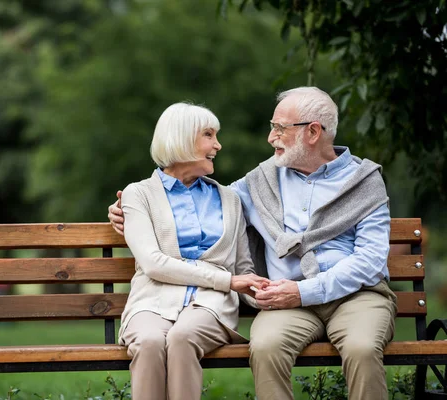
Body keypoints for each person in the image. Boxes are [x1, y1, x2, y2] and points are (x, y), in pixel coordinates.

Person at [108, 87, 397, 400]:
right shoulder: (260, 181)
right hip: (286, 299)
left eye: (279, 129)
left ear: (312, 132)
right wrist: (126, 212)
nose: (271, 138)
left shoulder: (364, 181)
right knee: (265, 346)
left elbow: (370, 260)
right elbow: (203, 200)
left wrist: (301, 291)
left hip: (357, 295)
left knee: (362, 347)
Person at [116, 102, 269, 400]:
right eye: (209, 135)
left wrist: (260, 290)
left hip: (210, 305)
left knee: (182, 337)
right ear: (182, 138)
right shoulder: (139, 194)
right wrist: (227, 281)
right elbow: (153, 263)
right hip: (151, 300)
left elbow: (242, 268)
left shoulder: (229, 199)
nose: (218, 145)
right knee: (148, 341)